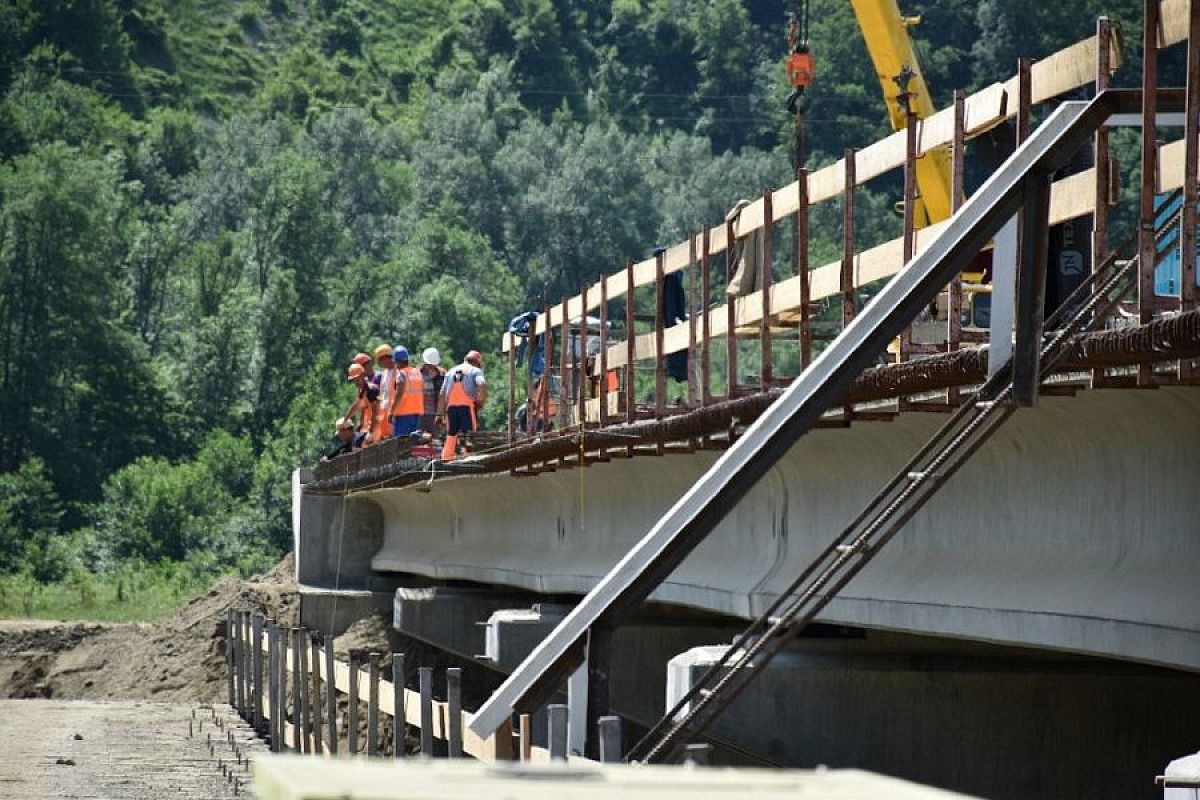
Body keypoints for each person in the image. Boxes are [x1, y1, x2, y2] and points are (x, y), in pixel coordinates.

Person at [437, 350, 487, 462]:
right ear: (477, 362)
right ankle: (468, 460)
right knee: (468, 434)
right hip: (467, 407)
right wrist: (480, 401)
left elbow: (442, 394)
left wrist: (439, 414)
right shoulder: (475, 370)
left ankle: (446, 459)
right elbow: (482, 384)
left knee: (451, 434)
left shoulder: (450, 372)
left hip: (451, 408)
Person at [390, 345, 424, 439]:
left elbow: (399, 394)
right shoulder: (417, 372)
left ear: (398, 361)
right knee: (413, 442)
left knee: (401, 444)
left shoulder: (402, 374)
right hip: (416, 413)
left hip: (403, 414)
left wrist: (391, 412)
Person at [344, 361, 379, 444]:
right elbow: (357, 404)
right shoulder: (361, 391)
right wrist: (346, 419)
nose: (356, 383)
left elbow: (376, 412)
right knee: (356, 443)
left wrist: (371, 431)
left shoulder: (371, 390)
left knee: (363, 445)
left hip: (377, 427)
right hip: (369, 427)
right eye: (354, 380)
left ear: (363, 375)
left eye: (357, 379)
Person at [419, 347, 446, 434]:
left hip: (436, 414)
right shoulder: (417, 373)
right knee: (418, 441)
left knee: (435, 442)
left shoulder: (442, 374)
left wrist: (441, 414)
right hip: (420, 414)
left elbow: (445, 395)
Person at [372, 344, 395, 441]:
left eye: (379, 360)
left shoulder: (397, 371)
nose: (378, 363)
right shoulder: (384, 373)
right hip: (384, 413)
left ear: (385, 358)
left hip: (393, 411)